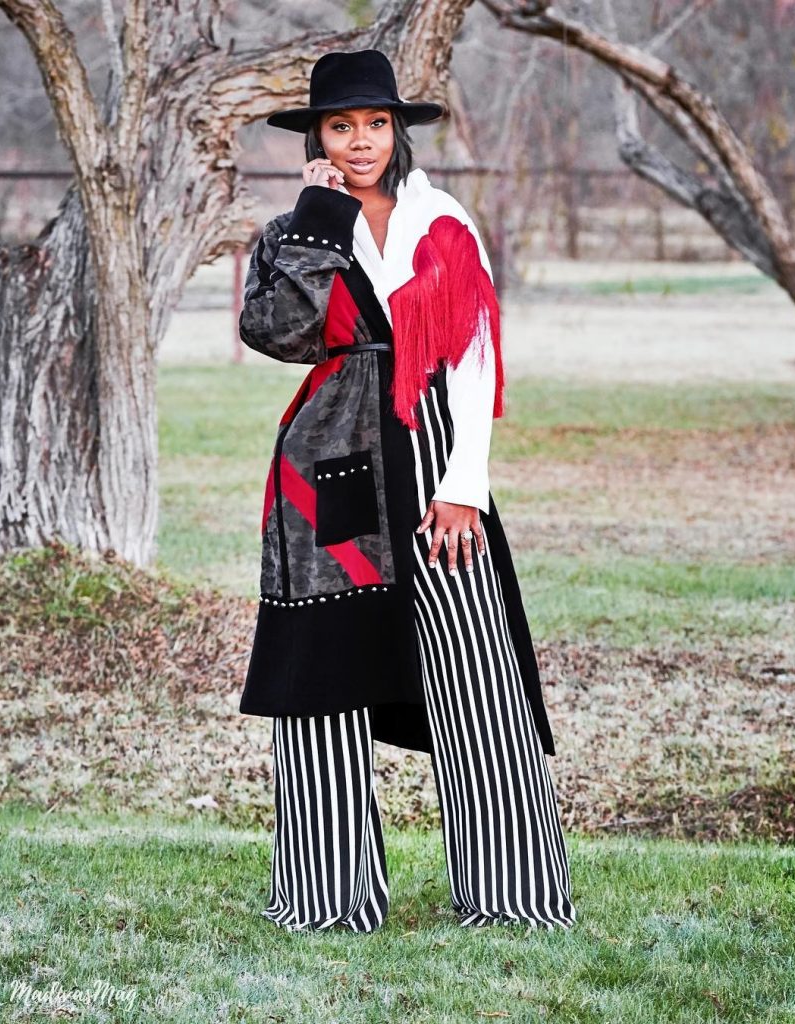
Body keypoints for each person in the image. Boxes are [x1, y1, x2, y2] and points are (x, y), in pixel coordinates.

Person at [238, 48, 576, 932]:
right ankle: (327, 899)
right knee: (323, 684)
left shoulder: (442, 220)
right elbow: (279, 334)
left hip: (434, 467)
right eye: (340, 126)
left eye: (375, 124)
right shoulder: (293, 231)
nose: (360, 141)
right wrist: (320, 218)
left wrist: (466, 485)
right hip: (327, 471)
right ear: (316, 137)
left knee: (478, 680)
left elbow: (474, 357)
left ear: (397, 131)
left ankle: (511, 896)